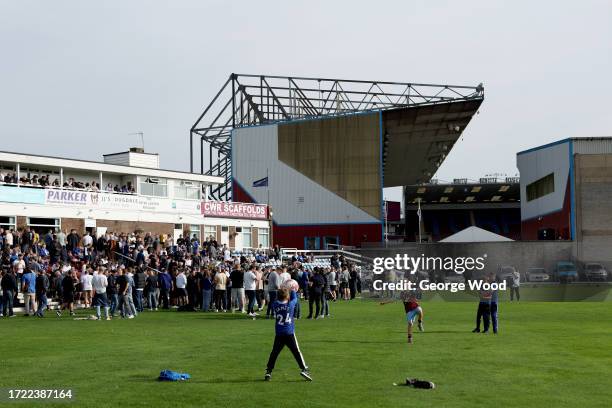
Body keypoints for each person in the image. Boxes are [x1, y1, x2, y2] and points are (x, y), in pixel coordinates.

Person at [264, 287, 311, 382]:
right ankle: (304, 369)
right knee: (296, 352)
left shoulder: (275, 305)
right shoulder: (290, 304)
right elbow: (295, 298)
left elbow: (277, 300)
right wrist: (292, 289)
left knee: (274, 353)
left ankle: (268, 371)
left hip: (279, 334)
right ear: (287, 296)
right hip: (289, 333)